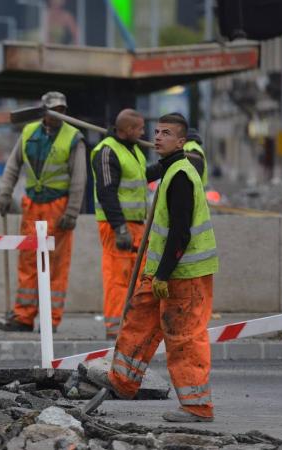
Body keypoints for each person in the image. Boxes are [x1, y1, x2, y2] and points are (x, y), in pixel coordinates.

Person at [90, 113, 219, 423]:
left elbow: (180, 232)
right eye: (157, 131)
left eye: (167, 133)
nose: (158, 137)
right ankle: (123, 381)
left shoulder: (181, 177)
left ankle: (197, 406)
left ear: (181, 141)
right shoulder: (170, 167)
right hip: (161, 270)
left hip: (183, 274)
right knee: (140, 318)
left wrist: (163, 273)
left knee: (183, 337)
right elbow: (156, 168)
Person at [0, 91, 87, 331]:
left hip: (58, 207)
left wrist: (72, 212)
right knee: (27, 262)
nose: (59, 113)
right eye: (55, 109)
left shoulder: (74, 138)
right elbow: (13, 165)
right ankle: (23, 317)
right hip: (32, 206)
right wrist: (5, 193)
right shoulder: (28, 133)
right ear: (44, 111)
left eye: (62, 109)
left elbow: (79, 179)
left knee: (56, 265)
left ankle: (50, 320)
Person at [90, 109, 149, 339]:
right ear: (126, 130)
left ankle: (131, 325)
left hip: (135, 225)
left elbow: (141, 178)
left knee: (135, 277)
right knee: (118, 277)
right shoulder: (106, 152)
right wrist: (120, 227)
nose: (143, 132)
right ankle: (115, 328)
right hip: (118, 225)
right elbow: (106, 192)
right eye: (139, 128)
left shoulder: (132, 150)